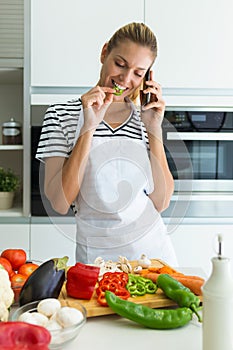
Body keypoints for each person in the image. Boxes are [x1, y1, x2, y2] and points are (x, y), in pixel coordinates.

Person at [36, 22, 178, 266]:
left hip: (152, 258)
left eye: (138, 73)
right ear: (104, 53)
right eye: (120, 64)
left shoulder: (146, 118)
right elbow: (60, 202)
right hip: (96, 262)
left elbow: (161, 201)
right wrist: (88, 127)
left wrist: (154, 129)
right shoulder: (60, 115)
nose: (125, 78)